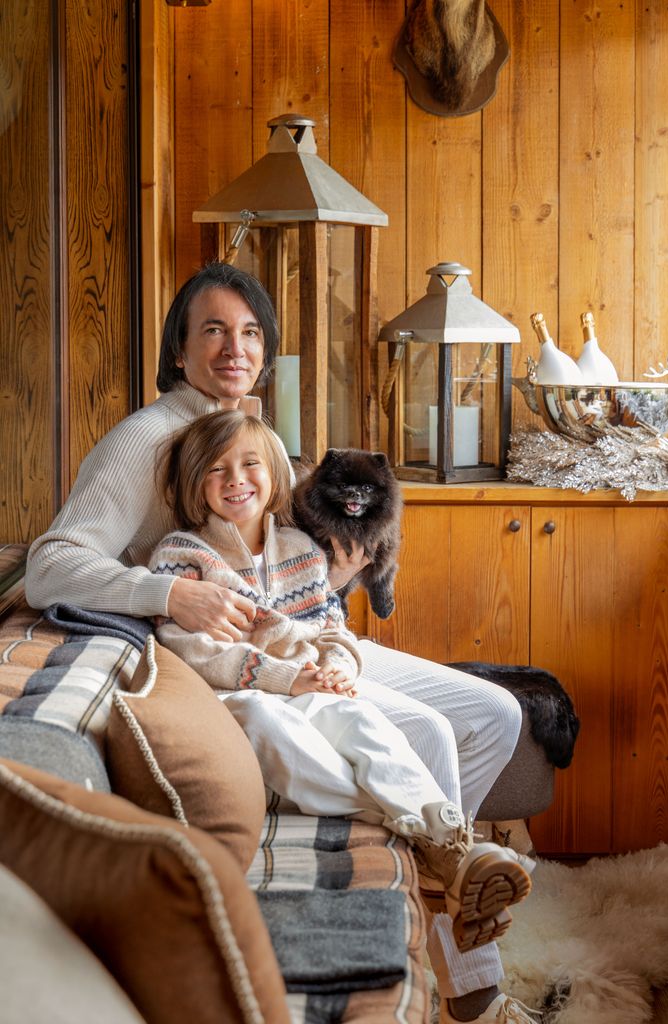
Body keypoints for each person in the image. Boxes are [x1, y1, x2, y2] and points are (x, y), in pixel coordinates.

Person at [25, 262, 535, 1023]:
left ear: (267, 350)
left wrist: (338, 593)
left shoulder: (253, 429)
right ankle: (472, 984)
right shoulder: (149, 436)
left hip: (303, 631)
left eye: (251, 332)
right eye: (214, 331)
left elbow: (288, 556)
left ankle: (450, 906)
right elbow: (49, 564)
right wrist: (170, 593)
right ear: (178, 350)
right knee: (427, 733)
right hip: (238, 658)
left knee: (494, 717)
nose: (235, 347)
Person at [148, 408, 531, 956]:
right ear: (192, 483)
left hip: (312, 681)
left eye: (249, 464)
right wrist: (286, 677)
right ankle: (436, 847)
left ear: (274, 476)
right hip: (246, 695)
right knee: (279, 734)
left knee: (365, 724)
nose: (235, 479)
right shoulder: (183, 556)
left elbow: (333, 629)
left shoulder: (302, 552)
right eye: (215, 469)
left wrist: (339, 670)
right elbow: (192, 649)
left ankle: (448, 843)